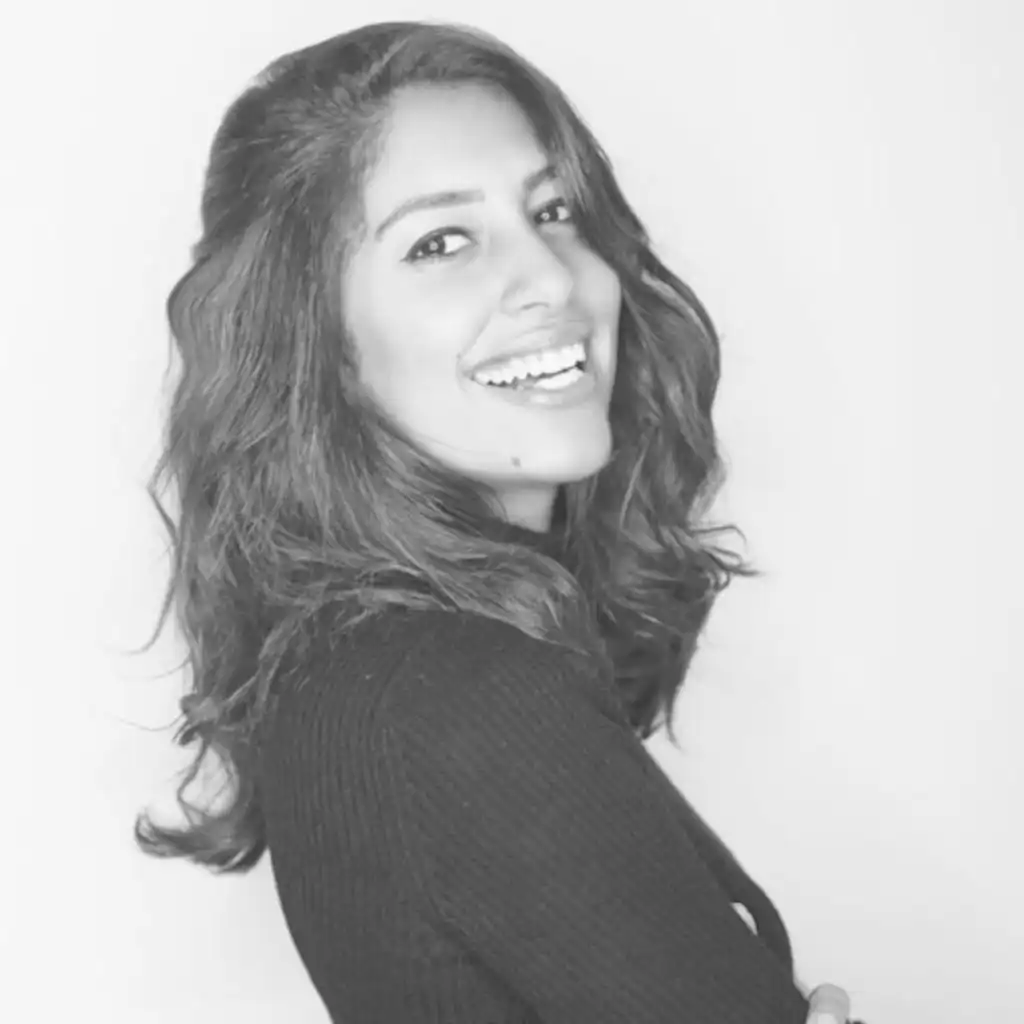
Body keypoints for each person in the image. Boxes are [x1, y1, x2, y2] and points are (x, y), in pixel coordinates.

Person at [135, 20, 863, 1024]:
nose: (554, 278)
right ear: (319, 341)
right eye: (441, 242)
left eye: (554, 211)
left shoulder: (369, 667)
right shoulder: (462, 699)